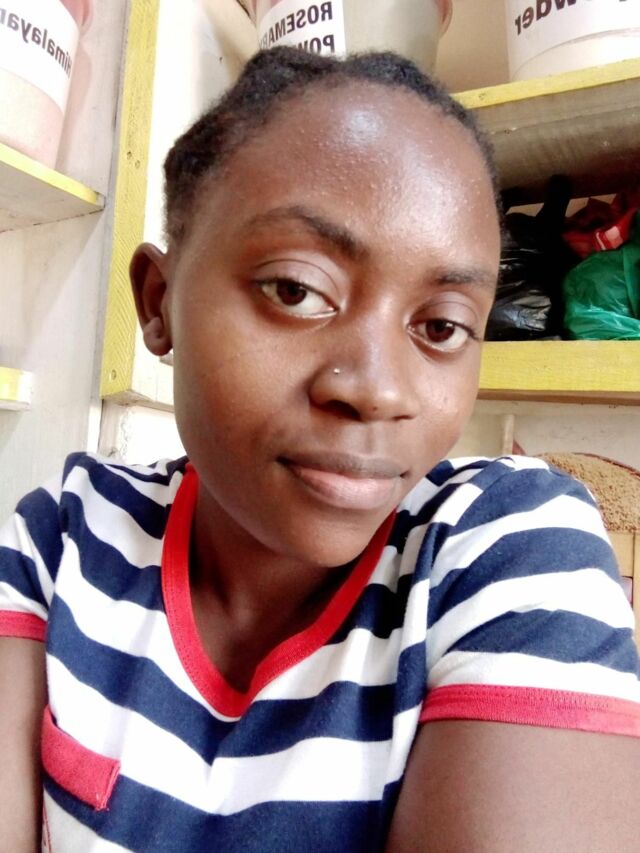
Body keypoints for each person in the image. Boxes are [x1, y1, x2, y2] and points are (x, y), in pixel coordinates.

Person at [1, 46, 639, 853]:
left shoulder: (510, 549)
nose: (376, 390)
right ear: (159, 303)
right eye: (296, 290)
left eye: (442, 326)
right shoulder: (65, 537)